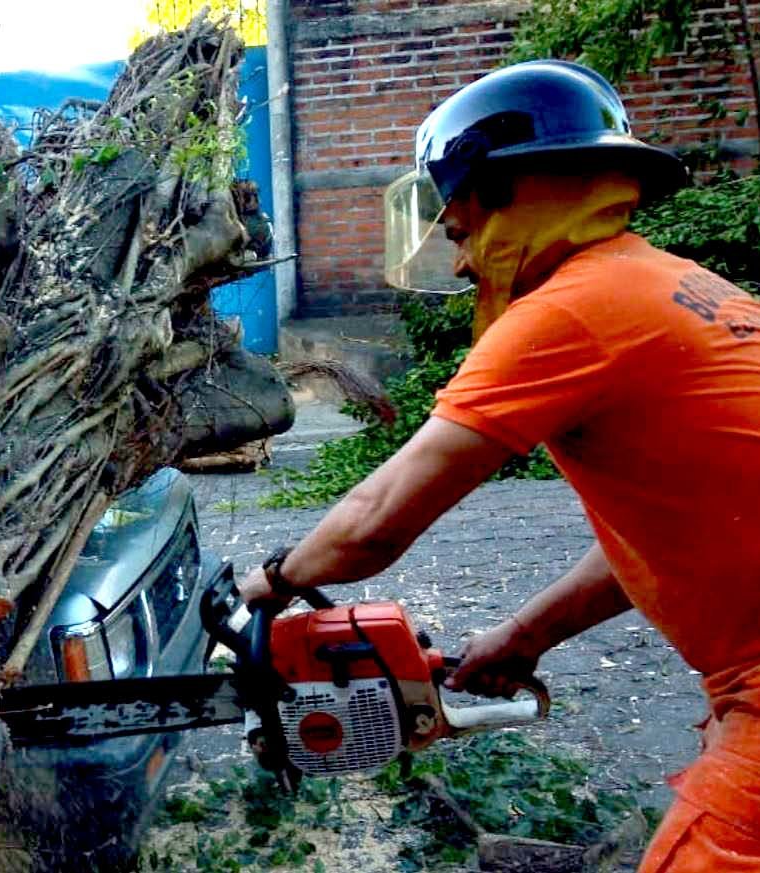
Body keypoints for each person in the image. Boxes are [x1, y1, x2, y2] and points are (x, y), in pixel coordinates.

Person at [237, 59, 760, 870]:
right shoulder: (670, 283)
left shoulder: (572, 310)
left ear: (508, 199)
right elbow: (669, 535)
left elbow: (379, 521)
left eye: (459, 232)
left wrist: (271, 582)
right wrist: (524, 636)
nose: (460, 263)